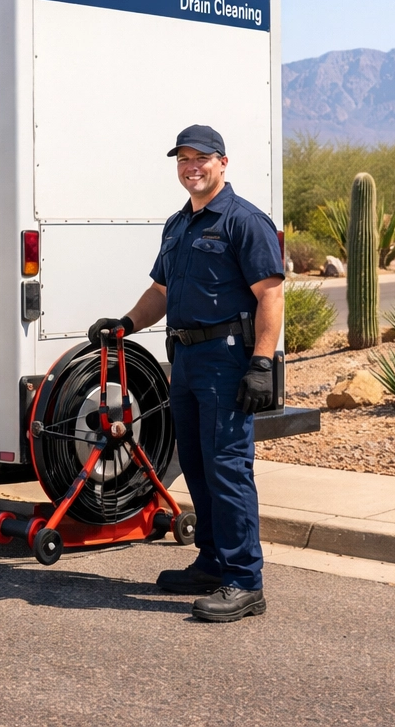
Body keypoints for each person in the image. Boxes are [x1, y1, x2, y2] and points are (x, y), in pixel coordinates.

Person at [88, 124, 284, 623]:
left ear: (223, 163)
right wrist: (127, 323)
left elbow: (270, 294)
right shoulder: (179, 225)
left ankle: (245, 581)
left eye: (201, 158)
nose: (191, 167)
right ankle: (213, 562)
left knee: (227, 467)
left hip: (227, 357)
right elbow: (162, 291)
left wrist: (261, 363)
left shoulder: (245, 221)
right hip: (186, 358)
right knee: (194, 463)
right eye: (182, 159)